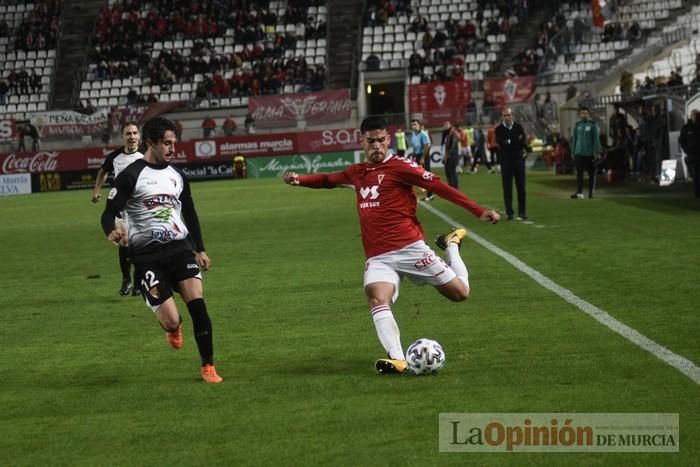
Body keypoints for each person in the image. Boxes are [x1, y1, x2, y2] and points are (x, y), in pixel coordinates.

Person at [283, 116, 500, 375]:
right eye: (371, 141)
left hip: (411, 248)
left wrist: (478, 211)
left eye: (381, 140)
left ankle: (452, 245)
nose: (377, 145)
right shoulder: (357, 172)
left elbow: (439, 187)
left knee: (460, 293)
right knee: (377, 297)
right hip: (379, 256)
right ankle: (398, 359)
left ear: (388, 139)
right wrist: (300, 179)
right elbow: (328, 179)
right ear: (361, 141)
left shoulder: (402, 166)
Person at [100, 117, 222, 384]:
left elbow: (190, 213)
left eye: (174, 143)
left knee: (198, 305)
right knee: (171, 320)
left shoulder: (177, 176)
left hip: (179, 249)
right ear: (151, 143)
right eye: (166, 143)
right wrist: (111, 230)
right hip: (146, 256)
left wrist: (199, 249)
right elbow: (108, 213)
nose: (172, 148)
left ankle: (208, 366)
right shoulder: (131, 176)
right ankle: (172, 327)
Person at [92, 122, 145, 296]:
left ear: (139, 136)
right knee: (124, 242)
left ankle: (138, 281)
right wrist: (97, 190)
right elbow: (102, 171)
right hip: (121, 206)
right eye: (128, 133)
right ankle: (126, 279)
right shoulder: (115, 157)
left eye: (134, 133)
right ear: (122, 137)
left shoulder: (147, 155)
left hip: (141, 207)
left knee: (138, 245)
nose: (131, 136)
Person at [495, 108, 528, 220]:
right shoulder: (498, 129)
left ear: (512, 115)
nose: (507, 117)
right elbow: (502, 145)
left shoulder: (519, 127)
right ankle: (510, 212)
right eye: (505, 115)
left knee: (521, 188)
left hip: (519, 161)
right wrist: (514, 141)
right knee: (507, 188)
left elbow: (522, 142)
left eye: (508, 115)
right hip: (506, 162)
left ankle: (522, 212)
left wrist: (509, 141)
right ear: (502, 117)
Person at [570, 106, 602, 199]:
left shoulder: (593, 125)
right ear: (580, 114)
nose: (584, 115)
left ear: (588, 114)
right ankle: (579, 193)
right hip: (578, 153)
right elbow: (574, 139)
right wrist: (573, 151)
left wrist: (597, 151)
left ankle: (591, 193)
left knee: (591, 174)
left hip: (589, 153)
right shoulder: (578, 125)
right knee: (579, 173)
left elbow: (596, 139)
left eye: (585, 113)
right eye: (582, 113)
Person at [409, 119, 432, 200]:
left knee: (426, 174)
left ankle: (430, 195)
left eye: (415, 124)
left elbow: (427, 145)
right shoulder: (413, 134)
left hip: (424, 156)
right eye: (412, 125)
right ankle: (424, 190)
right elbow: (415, 146)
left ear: (419, 125)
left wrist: (423, 158)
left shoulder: (423, 134)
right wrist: (413, 155)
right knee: (419, 174)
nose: (413, 126)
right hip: (418, 155)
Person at [679, 110, 700, 198]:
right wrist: (687, 151)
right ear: (690, 116)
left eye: (696, 115)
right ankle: (697, 192)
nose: (695, 116)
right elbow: (681, 141)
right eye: (693, 115)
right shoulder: (686, 128)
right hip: (692, 155)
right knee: (695, 174)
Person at [443, 123, 460, 189]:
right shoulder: (448, 133)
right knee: (449, 171)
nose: (445, 126)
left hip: (452, 156)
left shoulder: (452, 133)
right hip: (450, 155)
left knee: (451, 172)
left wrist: (449, 154)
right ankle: (452, 186)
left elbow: (453, 145)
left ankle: (454, 187)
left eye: (446, 125)